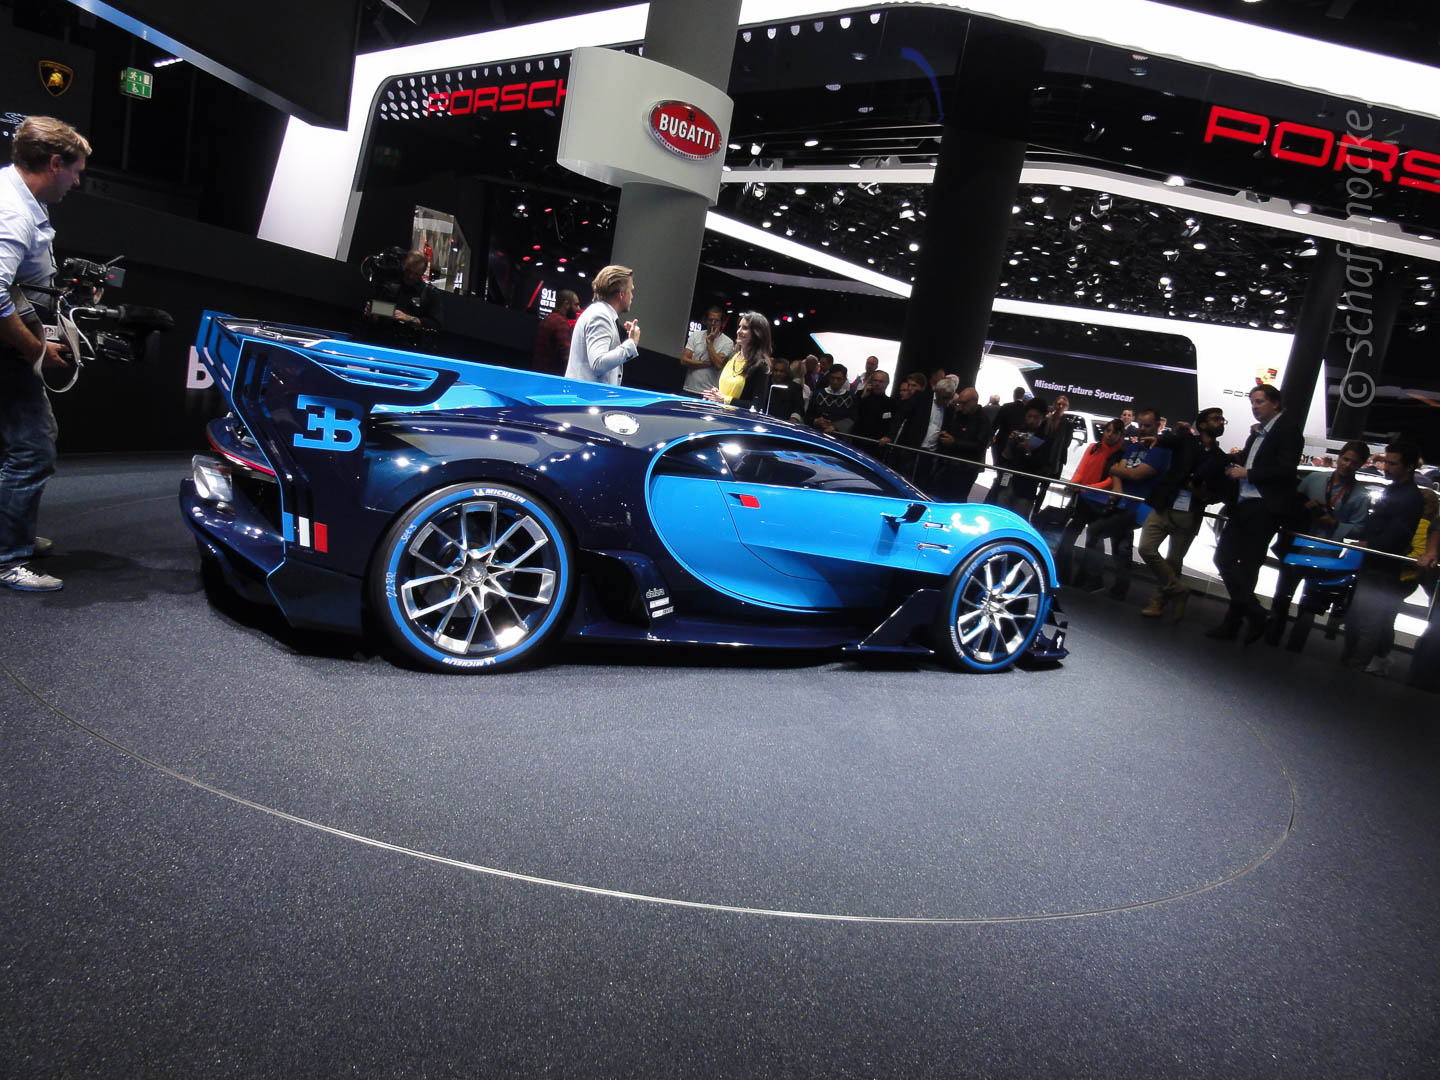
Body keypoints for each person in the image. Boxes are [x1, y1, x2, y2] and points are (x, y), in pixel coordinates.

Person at [0, 116, 88, 593]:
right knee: (32, 450)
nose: (76, 181)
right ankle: (7, 557)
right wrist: (36, 351)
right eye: (74, 171)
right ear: (55, 163)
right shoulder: (12, 212)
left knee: (23, 444)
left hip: (10, 341)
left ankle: (10, 532)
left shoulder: (13, 193)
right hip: (5, 350)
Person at [1206, 383, 1303, 643]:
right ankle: (1254, 614)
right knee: (1225, 559)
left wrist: (1248, 473)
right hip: (1245, 503)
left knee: (1246, 565)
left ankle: (1236, 622)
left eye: (1259, 401)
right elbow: (1246, 461)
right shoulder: (1257, 433)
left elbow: (1285, 471)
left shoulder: (1288, 430)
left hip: (1265, 506)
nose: (1254, 407)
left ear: (1275, 403)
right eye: (1252, 402)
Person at [1263, 440, 1372, 643]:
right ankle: (1272, 637)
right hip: (1297, 544)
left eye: (1354, 462)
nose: (1347, 465)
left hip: (1326, 552)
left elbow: (1360, 528)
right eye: (1345, 459)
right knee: (1282, 595)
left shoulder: (1360, 495)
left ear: (1361, 464)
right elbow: (1290, 505)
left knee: (1310, 603)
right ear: (1339, 458)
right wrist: (1305, 507)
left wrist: (1335, 523)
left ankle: (1296, 645)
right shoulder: (1314, 479)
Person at [1137, 408, 1231, 620]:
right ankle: (1179, 590)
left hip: (1191, 511)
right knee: (1146, 548)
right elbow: (1168, 440)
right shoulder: (1186, 441)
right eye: (1215, 419)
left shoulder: (1220, 458)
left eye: (1222, 419)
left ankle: (1158, 602)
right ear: (1203, 424)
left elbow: (1219, 492)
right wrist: (1157, 439)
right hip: (1165, 504)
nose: (1220, 422)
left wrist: (1202, 494)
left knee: (1174, 560)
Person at [1341, 440, 1426, 671]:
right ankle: (1351, 666)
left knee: (1366, 623)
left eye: (1392, 464)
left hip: (1383, 567)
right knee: (1360, 621)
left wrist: (1369, 543)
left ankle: (1353, 668)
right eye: (1386, 462)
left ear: (1409, 467)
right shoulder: (1399, 491)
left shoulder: (1408, 497)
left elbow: (1397, 535)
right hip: (1376, 564)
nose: (1386, 467)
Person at [1081, 408, 1170, 601]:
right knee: (1121, 545)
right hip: (1124, 503)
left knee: (1096, 531)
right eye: (1141, 425)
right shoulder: (1134, 447)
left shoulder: (1161, 451)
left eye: (1148, 425)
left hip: (1141, 507)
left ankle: (1097, 579)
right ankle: (1119, 587)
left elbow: (1135, 474)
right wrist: (1119, 486)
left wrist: (1119, 474)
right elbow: (1118, 471)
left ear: (1157, 426)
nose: (1143, 429)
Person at [1056, 419, 1127, 586]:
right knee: (1069, 537)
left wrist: (1086, 488)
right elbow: (1082, 468)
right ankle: (1063, 574)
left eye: (1114, 432)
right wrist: (1074, 483)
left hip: (1102, 504)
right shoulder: (1094, 447)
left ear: (1120, 435)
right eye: (1108, 430)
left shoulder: (1121, 455)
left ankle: (1087, 579)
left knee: (1093, 543)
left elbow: (1111, 481)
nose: (1110, 435)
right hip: (1084, 499)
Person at [566, 265, 641, 384]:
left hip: (585, 393)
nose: (632, 296)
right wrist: (631, 344)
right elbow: (598, 363)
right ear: (621, 294)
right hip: (586, 395)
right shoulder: (600, 316)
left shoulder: (601, 313)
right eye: (630, 291)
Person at [372, 251, 444, 338]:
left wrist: (409, 318)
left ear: (423, 272)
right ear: (403, 266)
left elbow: (436, 324)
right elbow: (383, 315)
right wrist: (373, 311)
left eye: (416, 274)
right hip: (384, 337)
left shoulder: (430, 293)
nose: (410, 276)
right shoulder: (392, 285)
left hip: (413, 341)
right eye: (408, 271)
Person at [704, 311, 771, 405]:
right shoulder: (730, 357)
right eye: (739, 327)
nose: (738, 331)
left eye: (745, 328)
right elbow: (722, 392)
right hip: (718, 411)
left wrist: (726, 399)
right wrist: (715, 393)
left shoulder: (760, 365)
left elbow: (757, 405)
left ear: (757, 333)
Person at [936, 384, 989, 501]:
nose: (961, 406)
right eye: (959, 403)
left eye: (964, 403)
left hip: (966, 468)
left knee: (957, 498)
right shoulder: (959, 415)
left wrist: (955, 442)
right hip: (949, 464)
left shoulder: (983, 420)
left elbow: (979, 445)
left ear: (973, 401)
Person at [680, 305, 733, 396]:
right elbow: (684, 361)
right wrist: (708, 363)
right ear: (706, 321)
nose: (713, 323)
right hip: (688, 389)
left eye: (717, 321)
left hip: (709, 393)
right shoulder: (695, 336)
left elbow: (718, 365)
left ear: (722, 323)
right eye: (710, 320)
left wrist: (709, 342)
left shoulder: (728, 342)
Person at [532, 289, 578, 375]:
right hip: (553, 377)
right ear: (566, 304)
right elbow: (567, 357)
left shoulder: (547, 319)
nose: (578, 308)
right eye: (576, 305)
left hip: (539, 374)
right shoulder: (561, 323)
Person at [804, 362, 858, 434]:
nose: (835, 382)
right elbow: (807, 416)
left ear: (845, 379)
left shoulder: (851, 398)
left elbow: (852, 419)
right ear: (829, 377)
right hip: (817, 433)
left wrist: (835, 426)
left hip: (838, 437)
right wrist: (815, 421)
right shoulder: (817, 394)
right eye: (832, 378)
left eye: (839, 379)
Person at [853, 369, 893, 441]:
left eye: (881, 381)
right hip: (857, 437)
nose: (877, 384)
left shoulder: (890, 402)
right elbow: (852, 412)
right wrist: (863, 397)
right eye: (875, 380)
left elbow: (890, 424)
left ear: (887, 384)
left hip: (876, 441)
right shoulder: (860, 395)